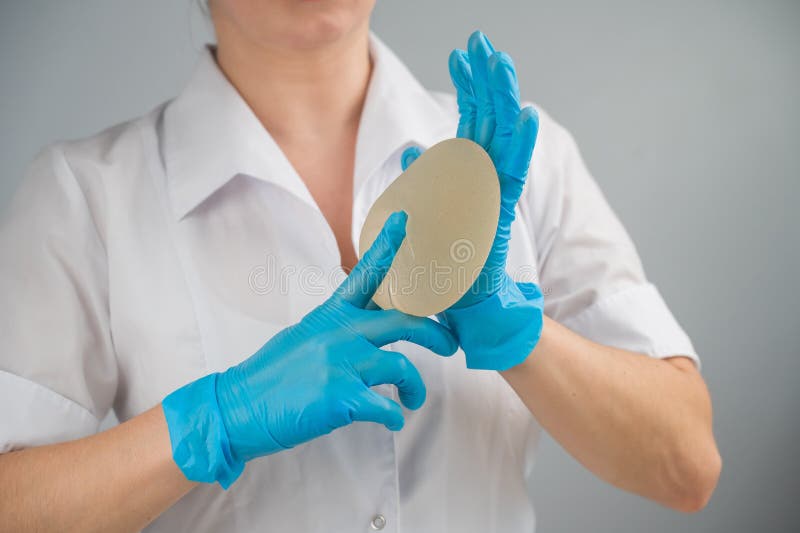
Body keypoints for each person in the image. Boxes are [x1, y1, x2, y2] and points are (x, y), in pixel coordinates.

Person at [0, 1, 721, 531]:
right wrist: (213, 420)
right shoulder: (85, 196)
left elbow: (686, 464)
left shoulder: (517, 164)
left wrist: (518, 331)